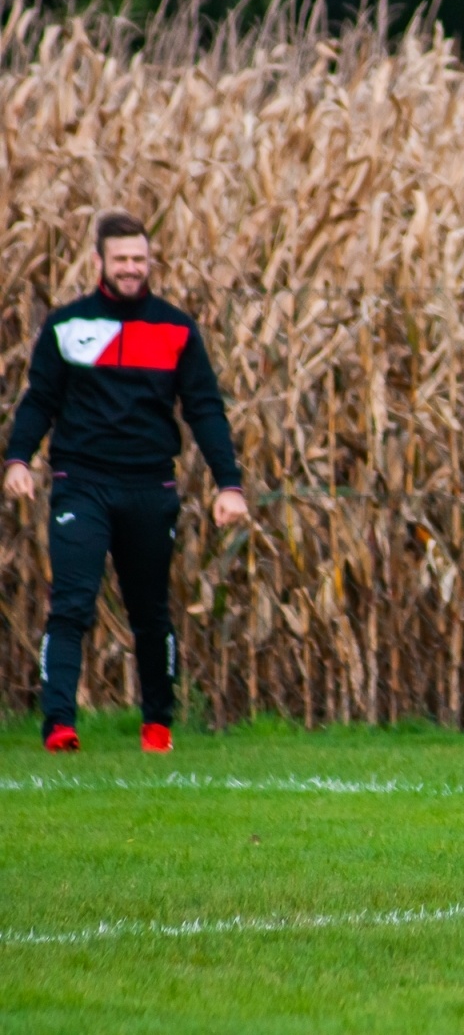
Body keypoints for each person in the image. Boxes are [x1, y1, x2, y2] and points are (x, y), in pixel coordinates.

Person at [2, 210, 248, 754]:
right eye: (122, 260)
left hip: (150, 487)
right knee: (72, 604)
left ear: (150, 261)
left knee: (150, 611)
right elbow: (40, 400)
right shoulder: (67, 326)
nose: (132, 268)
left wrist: (228, 484)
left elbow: (205, 409)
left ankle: (157, 724)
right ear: (99, 261)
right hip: (81, 482)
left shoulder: (176, 329)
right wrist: (18, 459)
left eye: (140, 259)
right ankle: (59, 725)